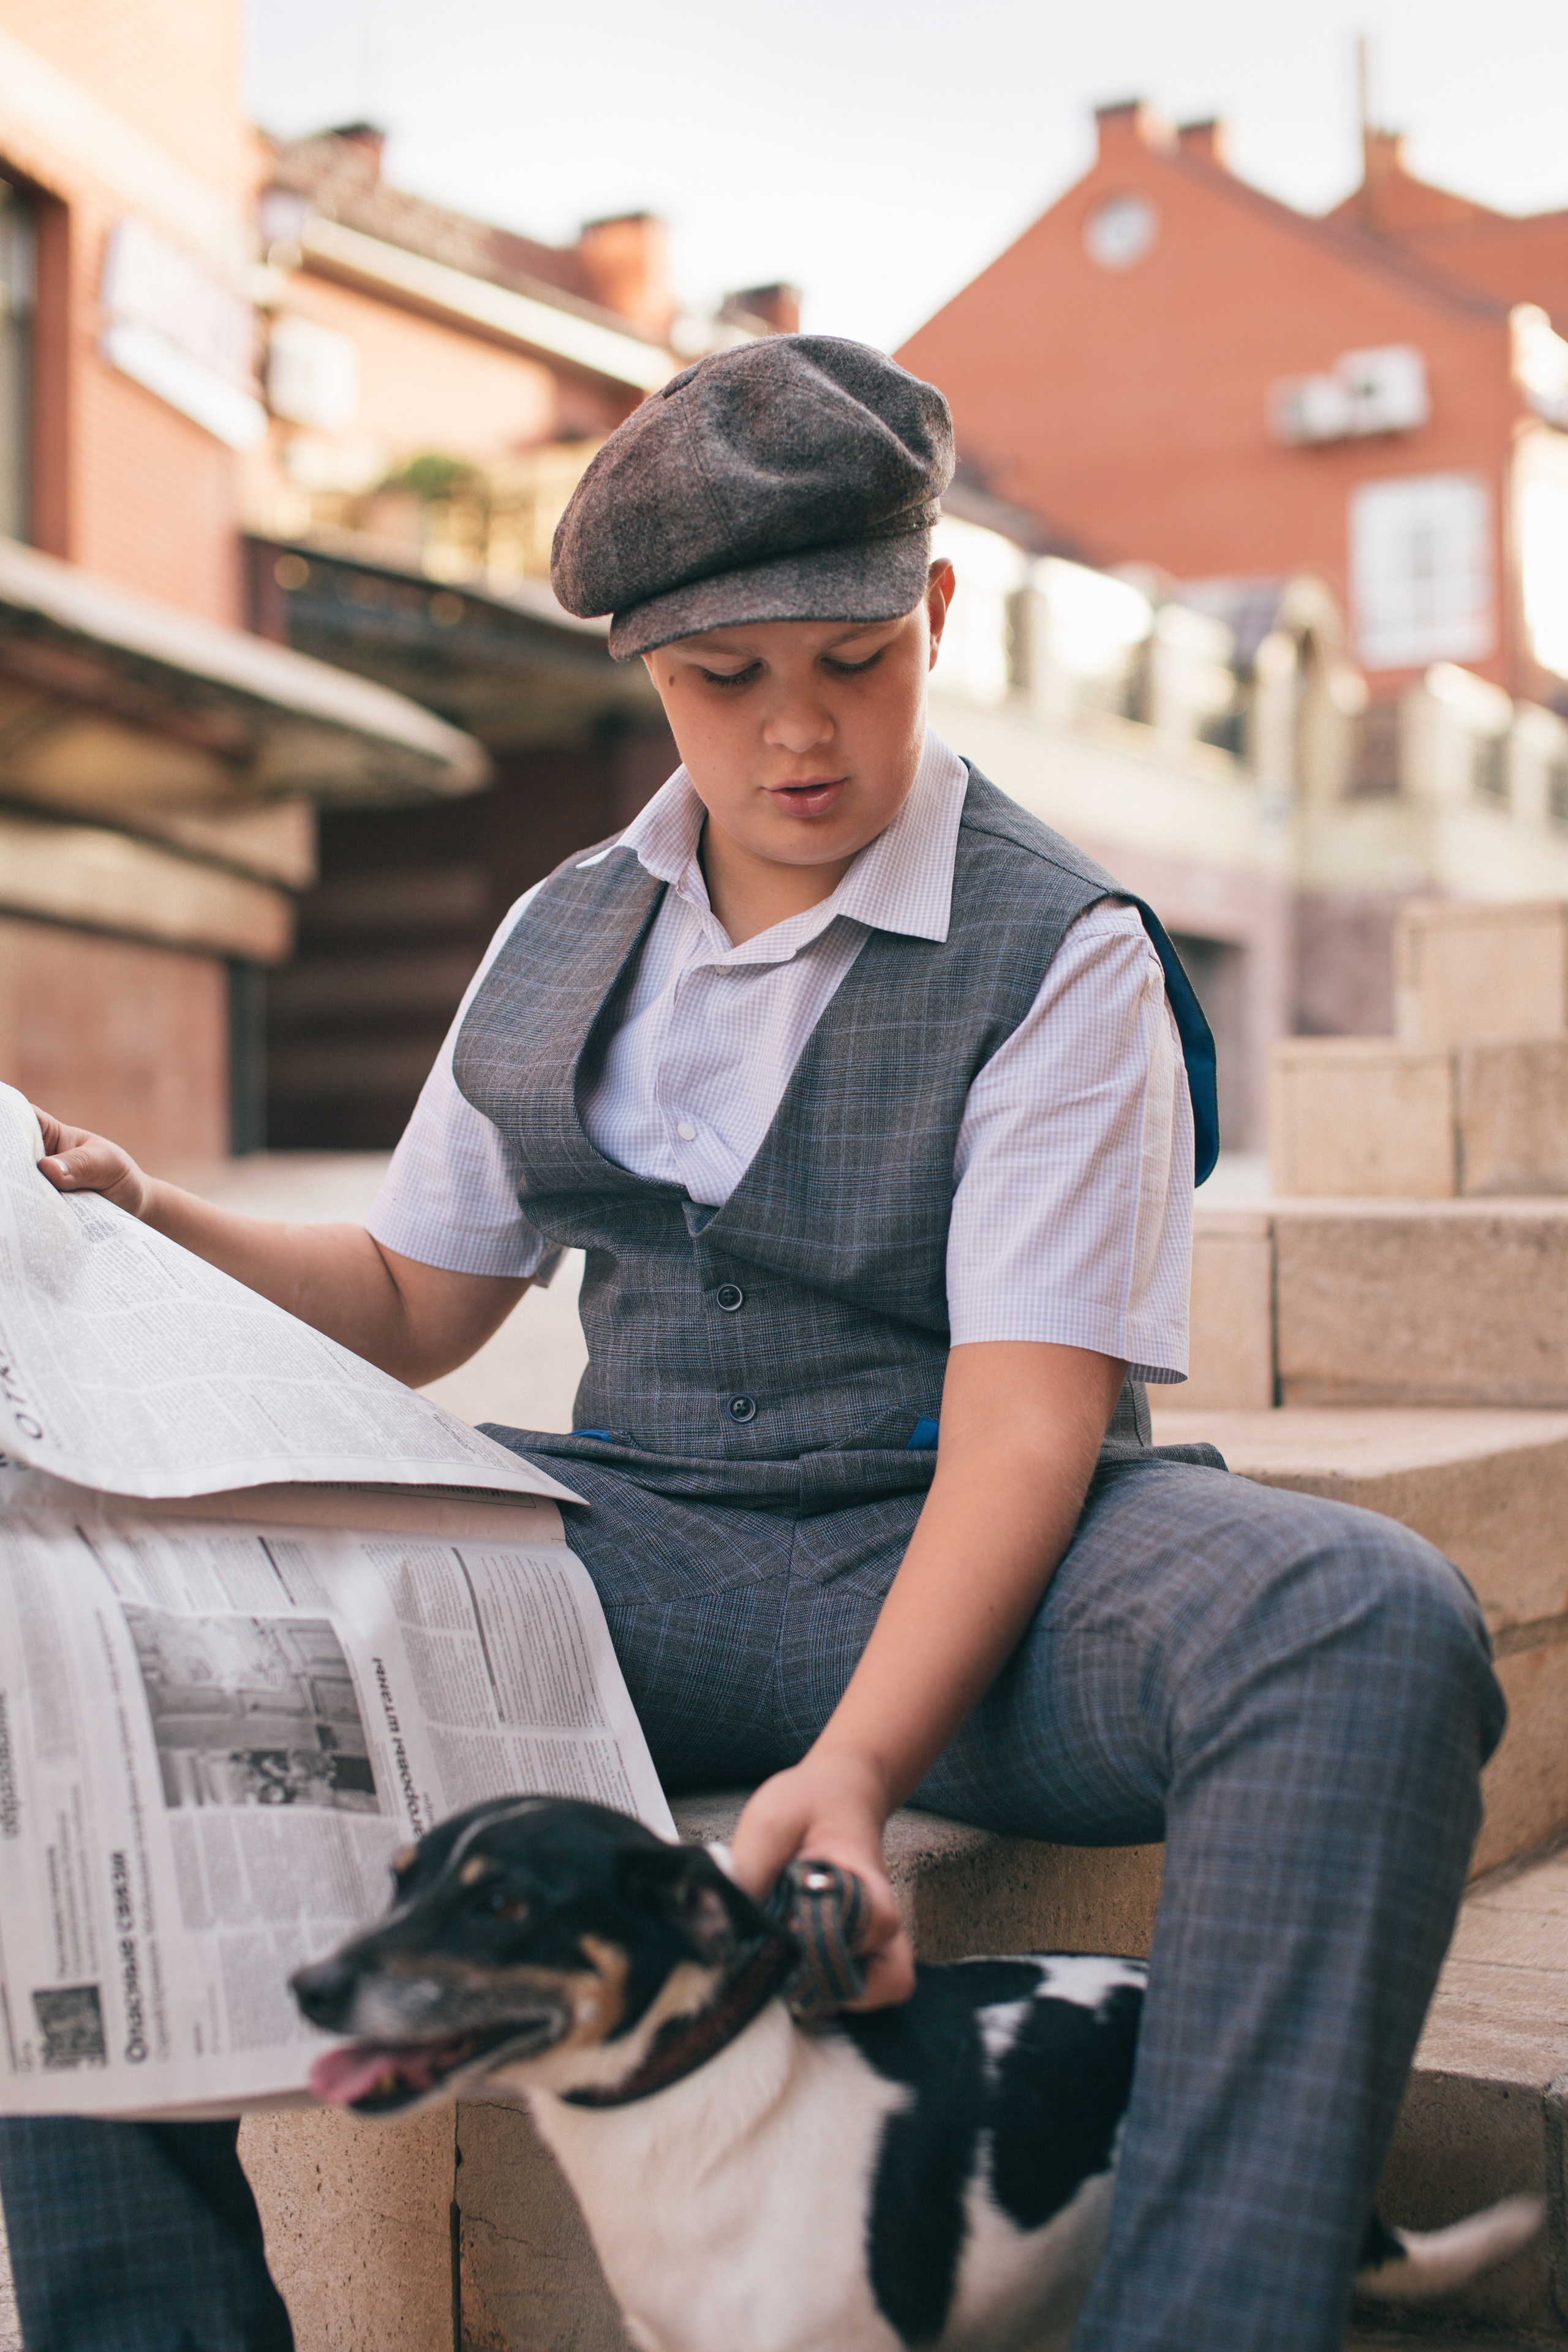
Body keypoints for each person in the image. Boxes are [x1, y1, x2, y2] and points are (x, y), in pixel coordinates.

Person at [2, 337, 1502, 2352]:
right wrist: (150, 1213)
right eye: (727, 681)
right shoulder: (556, 939)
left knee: (1362, 1615)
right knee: (75, 1622)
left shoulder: (1060, 952)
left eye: (853, 660)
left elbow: (1025, 1435)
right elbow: (411, 1312)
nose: (799, 734)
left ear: (938, 617)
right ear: (645, 672)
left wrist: (857, 1774)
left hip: (988, 1558)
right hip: (639, 1554)